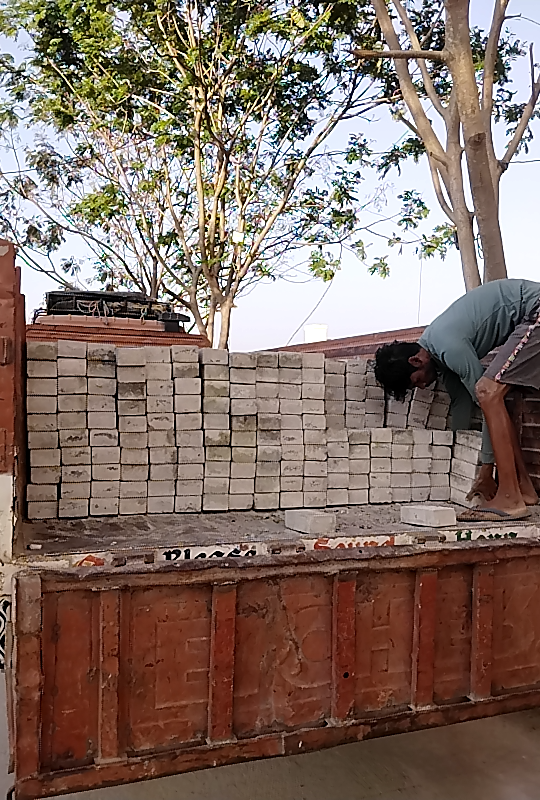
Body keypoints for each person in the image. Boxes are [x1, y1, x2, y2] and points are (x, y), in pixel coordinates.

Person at [374, 278, 540, 521]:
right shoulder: (437, 353)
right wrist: (457, 460)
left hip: (536, 310)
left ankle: (509, 498)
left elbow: (485, 401)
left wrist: (486, 469)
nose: (422, 386)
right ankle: (525, 490)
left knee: (488, 394)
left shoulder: (448, 347)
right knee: (489, 397)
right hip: (529, 316)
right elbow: (461, 403)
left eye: (416, 381)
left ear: (416, 361)